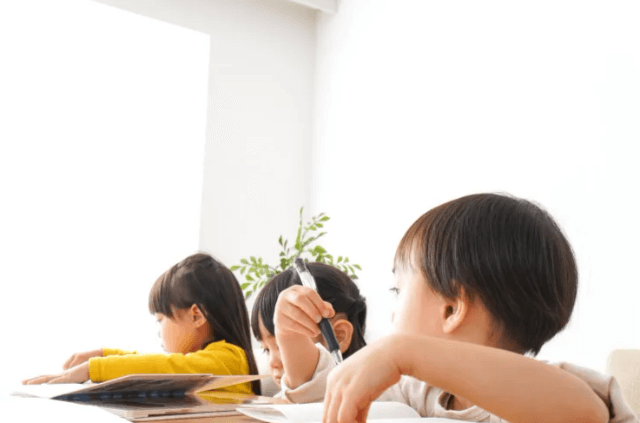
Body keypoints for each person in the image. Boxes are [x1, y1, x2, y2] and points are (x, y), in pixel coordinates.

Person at [280, 194, 638, 423]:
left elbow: (584, 412)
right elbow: (333, 394)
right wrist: (292, 338)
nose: (391, 314)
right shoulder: (417, 393)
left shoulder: (544, 392)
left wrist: (402, 351)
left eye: (398, 290)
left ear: (452, 310)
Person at [23, 253, 261, 395]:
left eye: (161, 320)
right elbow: (162, 364)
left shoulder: (230, 359)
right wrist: (106, 354)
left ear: (196, 316)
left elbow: (166, 367)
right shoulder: (210, 361)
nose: (159, 332)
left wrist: (94, 368)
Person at [251, 262, 366, 402]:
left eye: (281, 345)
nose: (273, 363)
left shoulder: (371, 393)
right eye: (266, 350)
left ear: (338, 336)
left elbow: (313, 385)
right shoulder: (276, 403)